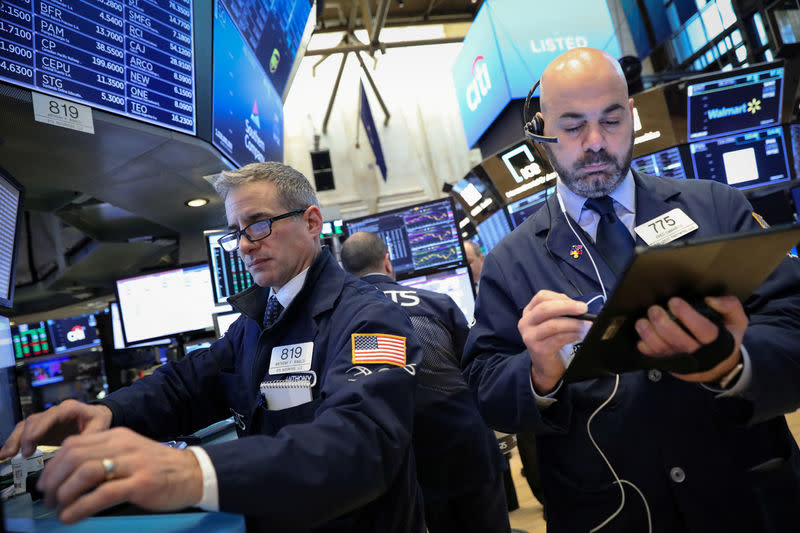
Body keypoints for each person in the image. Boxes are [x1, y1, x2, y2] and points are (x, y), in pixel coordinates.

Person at [462, 47, 800, 533]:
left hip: (746, 502)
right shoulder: (510, 261)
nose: (596, 142)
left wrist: (735, 362)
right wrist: (538, 374)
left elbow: (792, 322)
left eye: (612, 120)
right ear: (541, 132)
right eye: (574, 126)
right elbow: (485, 381)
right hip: (607, 514)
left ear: (634, 118)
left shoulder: (717, 209)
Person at [1, 162, 426, 532]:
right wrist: (108, 412)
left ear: (312, 222)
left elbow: (361, 443)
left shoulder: (369, 319)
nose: (244, 245)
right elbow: (187, 384)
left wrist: (193, 471)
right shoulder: (258, 321)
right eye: (235, 232)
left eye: (259, 223)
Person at [340, 232, 509, 533]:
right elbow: (477, 370)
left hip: (410, 464)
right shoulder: (436, 303)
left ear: (345, 271)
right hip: (469, 448)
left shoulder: (346, 321)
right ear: (387, 262)